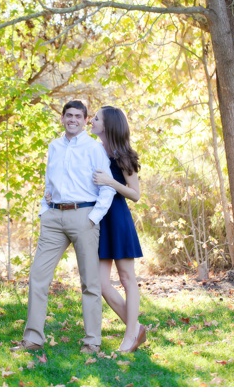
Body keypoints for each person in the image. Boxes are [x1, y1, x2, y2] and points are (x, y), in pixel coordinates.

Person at [12, 100, 116, 354]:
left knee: (90, 283)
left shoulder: (94, 148)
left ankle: (92, 342)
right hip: (54, 219)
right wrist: (44, 210)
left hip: (84, 216)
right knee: (37, 277)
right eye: (68, 115)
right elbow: (49, 181)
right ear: (62, 118)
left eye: (78, 116)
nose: (72, 119)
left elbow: (108, 186)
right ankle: (33, 338)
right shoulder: (54, 146)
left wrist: (93, 217)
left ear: (85, 120)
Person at [90, 106, 146, 353]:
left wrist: (111, 182)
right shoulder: (92, 150)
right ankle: (135, 328)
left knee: (126, 278)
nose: (90, 120)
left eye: (96, 118)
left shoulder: (124, 156)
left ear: (108, 125)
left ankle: (129, 336)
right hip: (99, 219)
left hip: (118, 218)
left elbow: (135, 195)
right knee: (101, 283)